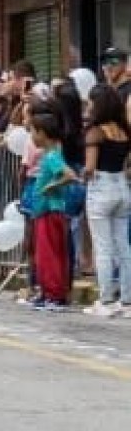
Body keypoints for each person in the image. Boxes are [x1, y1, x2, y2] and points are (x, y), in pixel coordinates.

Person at [81, 83, 130, 317]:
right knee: (124, 246)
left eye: (91, 101)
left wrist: (81, 176)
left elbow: (90, 167)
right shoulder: (124, 131)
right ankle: (127, 300)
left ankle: (106, 299)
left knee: (103, 247)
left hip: (101, 187)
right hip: (121, 185)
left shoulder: (95, 132)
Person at [21, 110, 77, 309]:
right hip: (45, 211)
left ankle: (53, 294)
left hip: (49, 211)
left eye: (34, 132)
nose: (32, 137)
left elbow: (70, 175)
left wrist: (50, 186)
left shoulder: (52, 155)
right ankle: (49, 292)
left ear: (43, 133)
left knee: (48, 254)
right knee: (48, 253)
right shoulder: (53, 152)